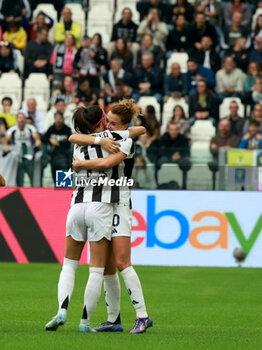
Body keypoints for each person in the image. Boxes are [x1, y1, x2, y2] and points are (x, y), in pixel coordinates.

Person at [46, 102, 152, 334]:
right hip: (103, 205)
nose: (108, 125)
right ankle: (113, 319)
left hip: (119, 202)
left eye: (113, 123)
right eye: (107, 121)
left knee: (122, 262)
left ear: (123, 125)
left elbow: (139, 131)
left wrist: (81, 163)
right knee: (107, 268)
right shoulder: (107, 137)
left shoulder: (121, 138)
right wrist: (100, 138)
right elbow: (75, 137)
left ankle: (142, 315)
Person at [2, 112, 41, 186]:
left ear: (25, 119)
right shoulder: (12, 129)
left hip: (29, 154)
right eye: (19, 118)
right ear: (17, 119)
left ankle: (34, 191)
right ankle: (20, 192)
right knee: (19, 177)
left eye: (23, 118)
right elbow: (5, 139)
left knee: (32, 175)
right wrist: (5, 145)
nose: (21, 120)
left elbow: (36, 136)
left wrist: (37, 141)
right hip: (17, 156)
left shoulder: (30, 128)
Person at [44, 112, 72, 183]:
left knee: (64, 183)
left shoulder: (67, 129)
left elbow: (69, 143)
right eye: (56, 119)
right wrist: (50, 139)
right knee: (55, 181)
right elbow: (43, 138)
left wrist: (58, 143)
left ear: (63, 119)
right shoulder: (51, 128)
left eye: (60, 118)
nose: (58, 120)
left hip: (64, 157)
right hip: (53, 157)